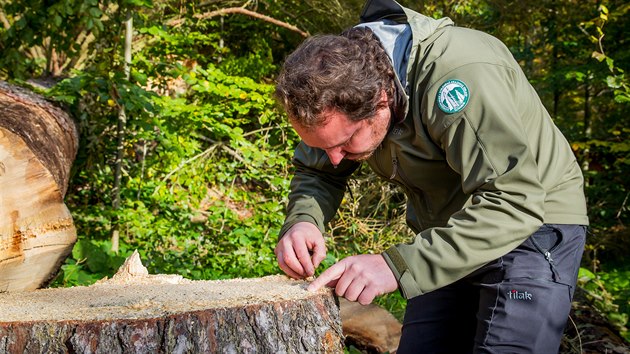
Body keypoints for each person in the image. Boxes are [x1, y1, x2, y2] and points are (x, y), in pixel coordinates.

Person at [273, 0, 589, 352]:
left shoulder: (458, 75)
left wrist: (396, 266)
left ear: (381, 100)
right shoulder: (334, 86)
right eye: (324, 146)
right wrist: (304, 220)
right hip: (447, 232)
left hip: (531, 225)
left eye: (346, 143)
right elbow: (318, 171)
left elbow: (515, 199)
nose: (334, 158)